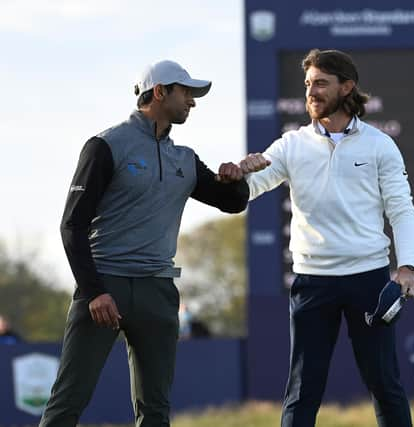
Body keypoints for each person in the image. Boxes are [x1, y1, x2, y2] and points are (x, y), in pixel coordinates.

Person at [39, 60, 266, 427]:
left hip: (158, 291)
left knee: (156, 411)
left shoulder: (185, 158)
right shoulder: (105, 145)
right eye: (186, 93)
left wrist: (236, 177)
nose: (192, 102)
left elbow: (232, 202)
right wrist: (95, 291)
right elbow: (72, 225)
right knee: (68, 402)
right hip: (104, 288)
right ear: (159, 92)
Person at [240, 49, 414, 427]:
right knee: (302, 391)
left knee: (384, 385)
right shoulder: (291, 144)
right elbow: (248, 190)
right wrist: (235, 175)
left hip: (369, 280)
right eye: (307, 84)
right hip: (312, 282)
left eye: (320, 83)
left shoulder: (379, 144)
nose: (311, 92)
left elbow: (401, 209)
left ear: (347, 87)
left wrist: (406, 267)